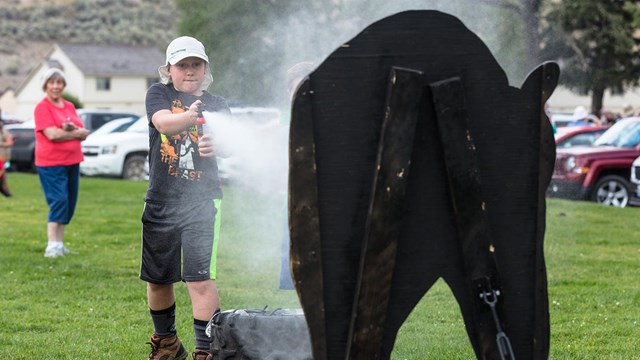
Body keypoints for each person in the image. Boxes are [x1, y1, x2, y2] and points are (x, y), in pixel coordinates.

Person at [141, 36, 230, 360]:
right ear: (169, 70)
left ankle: (207, 351)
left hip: (203, 203)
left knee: (199, 279)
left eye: (196, 64)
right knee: (157, 279)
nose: (189, 71)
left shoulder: (217, 104)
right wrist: (190, 118)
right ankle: (166, 345)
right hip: (161, 201)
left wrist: (218, 146)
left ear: (205, 68)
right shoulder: (159, 94)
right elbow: (163, 122)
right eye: (182, 65)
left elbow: (231, 141)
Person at [33, 68, 89, 258]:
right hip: (51, 163)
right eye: (52, 82)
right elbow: (52, 134)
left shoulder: (69, 106)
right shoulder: (42, 107)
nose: (56, 86)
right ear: (45, 85)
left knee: (69, 203)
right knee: (59, 201)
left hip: (72, 160)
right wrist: (75, 132)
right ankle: (52, 245)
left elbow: (84, 132)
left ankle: (59, 243)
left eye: (59, 82)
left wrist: (72, 131)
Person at [0, 114, 14, 197]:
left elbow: (10, 142)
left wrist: (1, 144)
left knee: (2, 176)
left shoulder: (3, 131)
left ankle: (7, 193)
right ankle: (6, 193)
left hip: (1, 157)